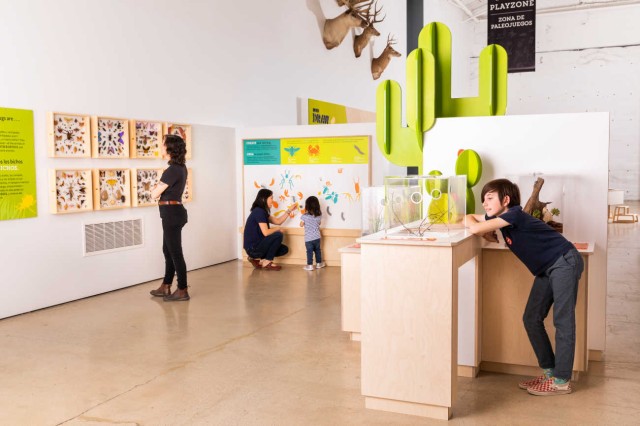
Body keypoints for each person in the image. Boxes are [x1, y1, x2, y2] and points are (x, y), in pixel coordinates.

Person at [465, 178, 584, 396]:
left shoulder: (514, 214)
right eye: (483, 199)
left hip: (564, 262)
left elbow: (473, 226)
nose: (485, 203)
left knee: (563, 321)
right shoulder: (503, 217)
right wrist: (480, 227)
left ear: (506, 199)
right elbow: (469, 218)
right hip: (548, 268)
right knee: (531, 317)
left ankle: (561, 381)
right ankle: (550, 372)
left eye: (490, 198)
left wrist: (481, 229)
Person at [149, 134, 190, 301]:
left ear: (170, 148)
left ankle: (182, 289)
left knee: (175, 252)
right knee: (168, 250)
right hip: (174, 213)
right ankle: (166, 286)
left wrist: (154, 190)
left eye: (163, 144)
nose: (161, 147)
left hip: (172, 214)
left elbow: (153, 194)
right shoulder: (180, 168)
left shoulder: (172, 170)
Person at [244, 189, 296, 271]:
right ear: (264, 199)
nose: (273, 200)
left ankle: (257, 259)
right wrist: (278, 229)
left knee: (283, 249)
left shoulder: (262, 212)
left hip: (257, 246)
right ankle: (267, 261)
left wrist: (289, 210)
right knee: (278, 235)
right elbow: (266, 233)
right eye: (271, 198)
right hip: (253, 248)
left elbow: (278, 221)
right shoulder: (258, 212)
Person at [300, 196, 325, 271]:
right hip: (317, 237)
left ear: (307, 206)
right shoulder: (319, 215)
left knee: (309, 252)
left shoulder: (304, 216)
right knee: (318, 250)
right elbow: (319, 223)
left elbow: (301, 224)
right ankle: (318, 263)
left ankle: (310, 265)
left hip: (308, 239)